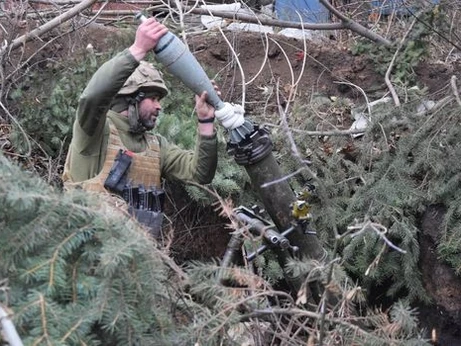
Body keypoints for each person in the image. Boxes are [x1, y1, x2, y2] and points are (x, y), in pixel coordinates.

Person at [62, 18, 218, 237]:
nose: (159, 106)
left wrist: (205, 122)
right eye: (153, 98)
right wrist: (137, 49)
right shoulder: (94, 130)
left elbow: (200, 174)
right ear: (131, 99)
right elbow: (92, 97)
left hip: (141, 264)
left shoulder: (155, 146)